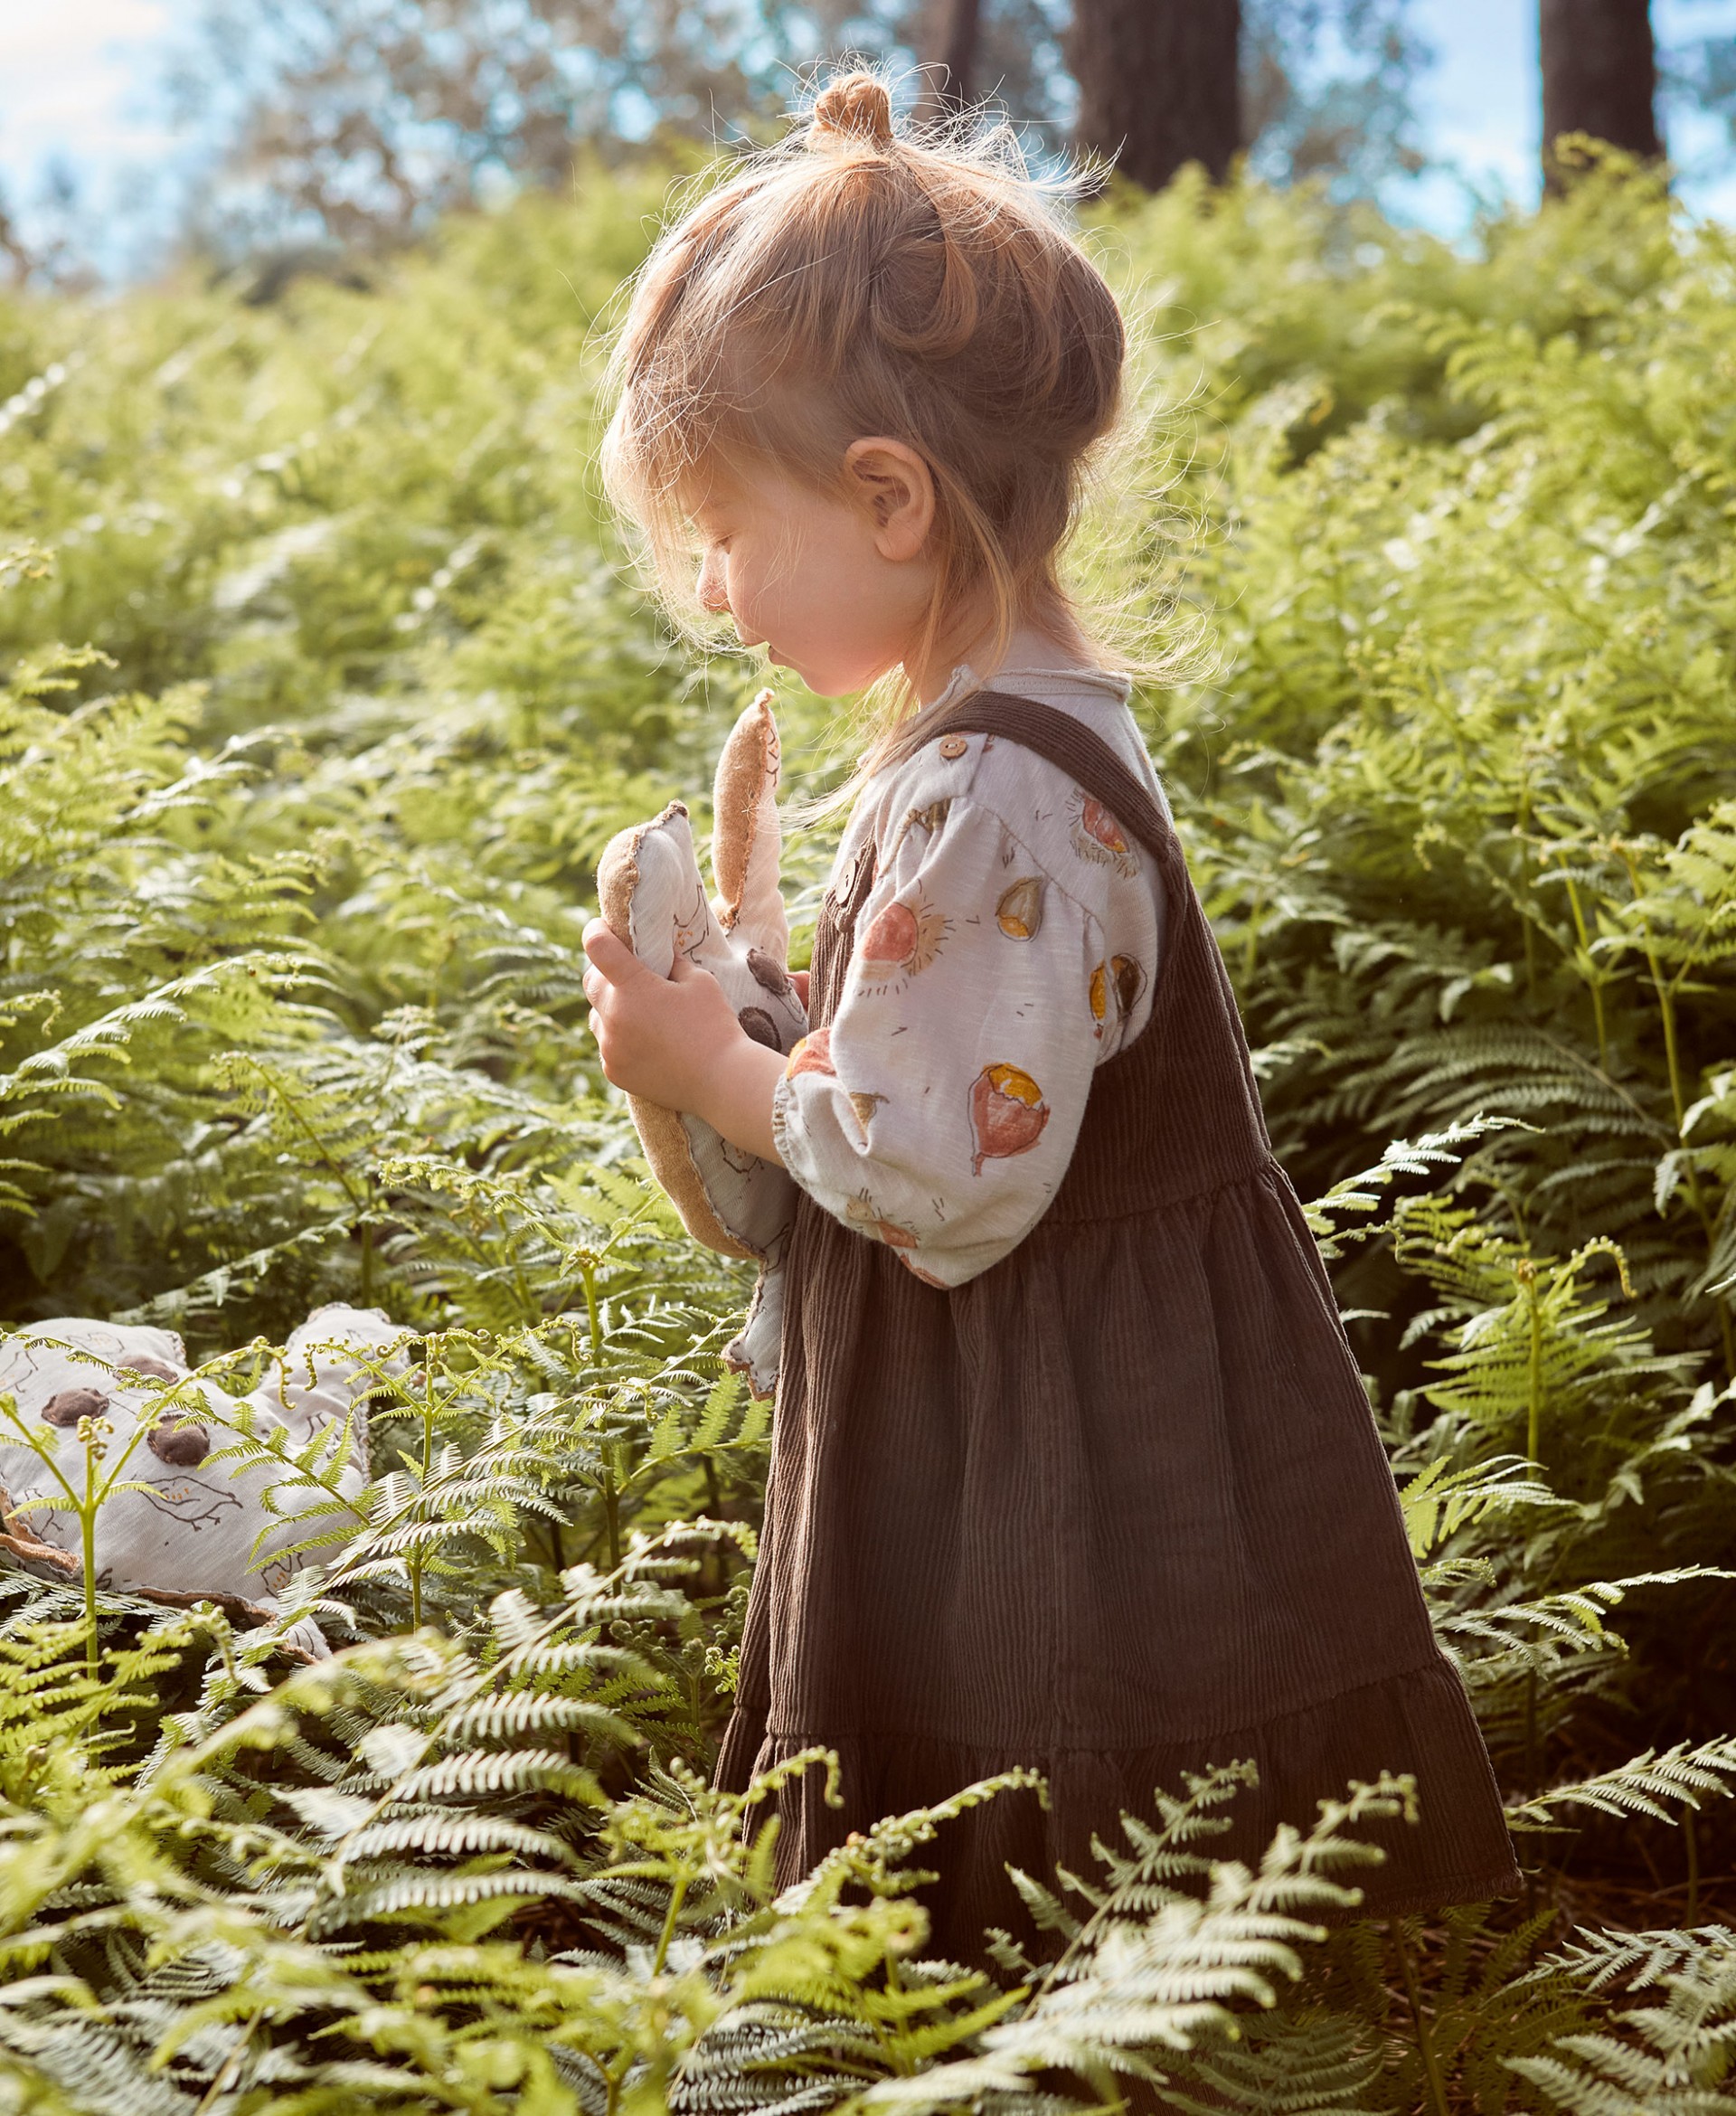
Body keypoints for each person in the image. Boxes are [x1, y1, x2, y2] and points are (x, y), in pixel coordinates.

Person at [580, 68, 1521, 1966]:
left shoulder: (990, 794)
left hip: (1050, 1442)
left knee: (1061, 1820)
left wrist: (705, 1066)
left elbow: (932, 1171)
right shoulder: (1012, 748)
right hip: (1045, 1387)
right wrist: (752, 1009)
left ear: (889, 500)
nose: (715, 595)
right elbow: (932, 1067)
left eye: (725, 538)